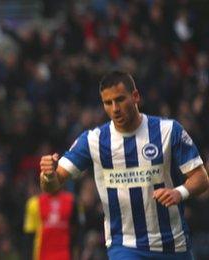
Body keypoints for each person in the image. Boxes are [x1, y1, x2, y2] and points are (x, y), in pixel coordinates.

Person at [40, 71, 209, 259]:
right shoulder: (93, 140)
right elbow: (53, 184)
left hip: (173, 245)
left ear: (135, 96)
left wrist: (179, 192)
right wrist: (48, 174)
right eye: (107, 103)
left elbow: (201, 178)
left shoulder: (169, 131)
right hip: (125, 246)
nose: (115, 109)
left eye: (120, 100)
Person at [23, 188, 76, 260]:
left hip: (64, 254)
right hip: (42, 254)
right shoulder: (34, 203)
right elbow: (29, 236)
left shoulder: (71, 201)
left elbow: (76, 232)